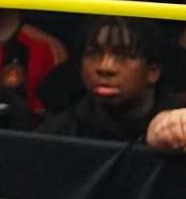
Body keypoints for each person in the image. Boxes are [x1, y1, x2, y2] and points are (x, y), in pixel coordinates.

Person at [38, 17, 186, 147]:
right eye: (93, 54)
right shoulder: (59, 132)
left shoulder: (179, 124)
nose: (105, 67)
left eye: (123, 55)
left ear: (152, 72)